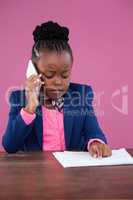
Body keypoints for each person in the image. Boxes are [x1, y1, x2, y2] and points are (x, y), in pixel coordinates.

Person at [2, 21, 112, 157]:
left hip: (73, 174)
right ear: (34, 71)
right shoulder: (20, 99)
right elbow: (10, 145)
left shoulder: (81, 95)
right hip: (36, 173)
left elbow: (94, 132)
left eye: (65, 75)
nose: (58, 81)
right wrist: (30, 107)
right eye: (49, 75)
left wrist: (96, 143)